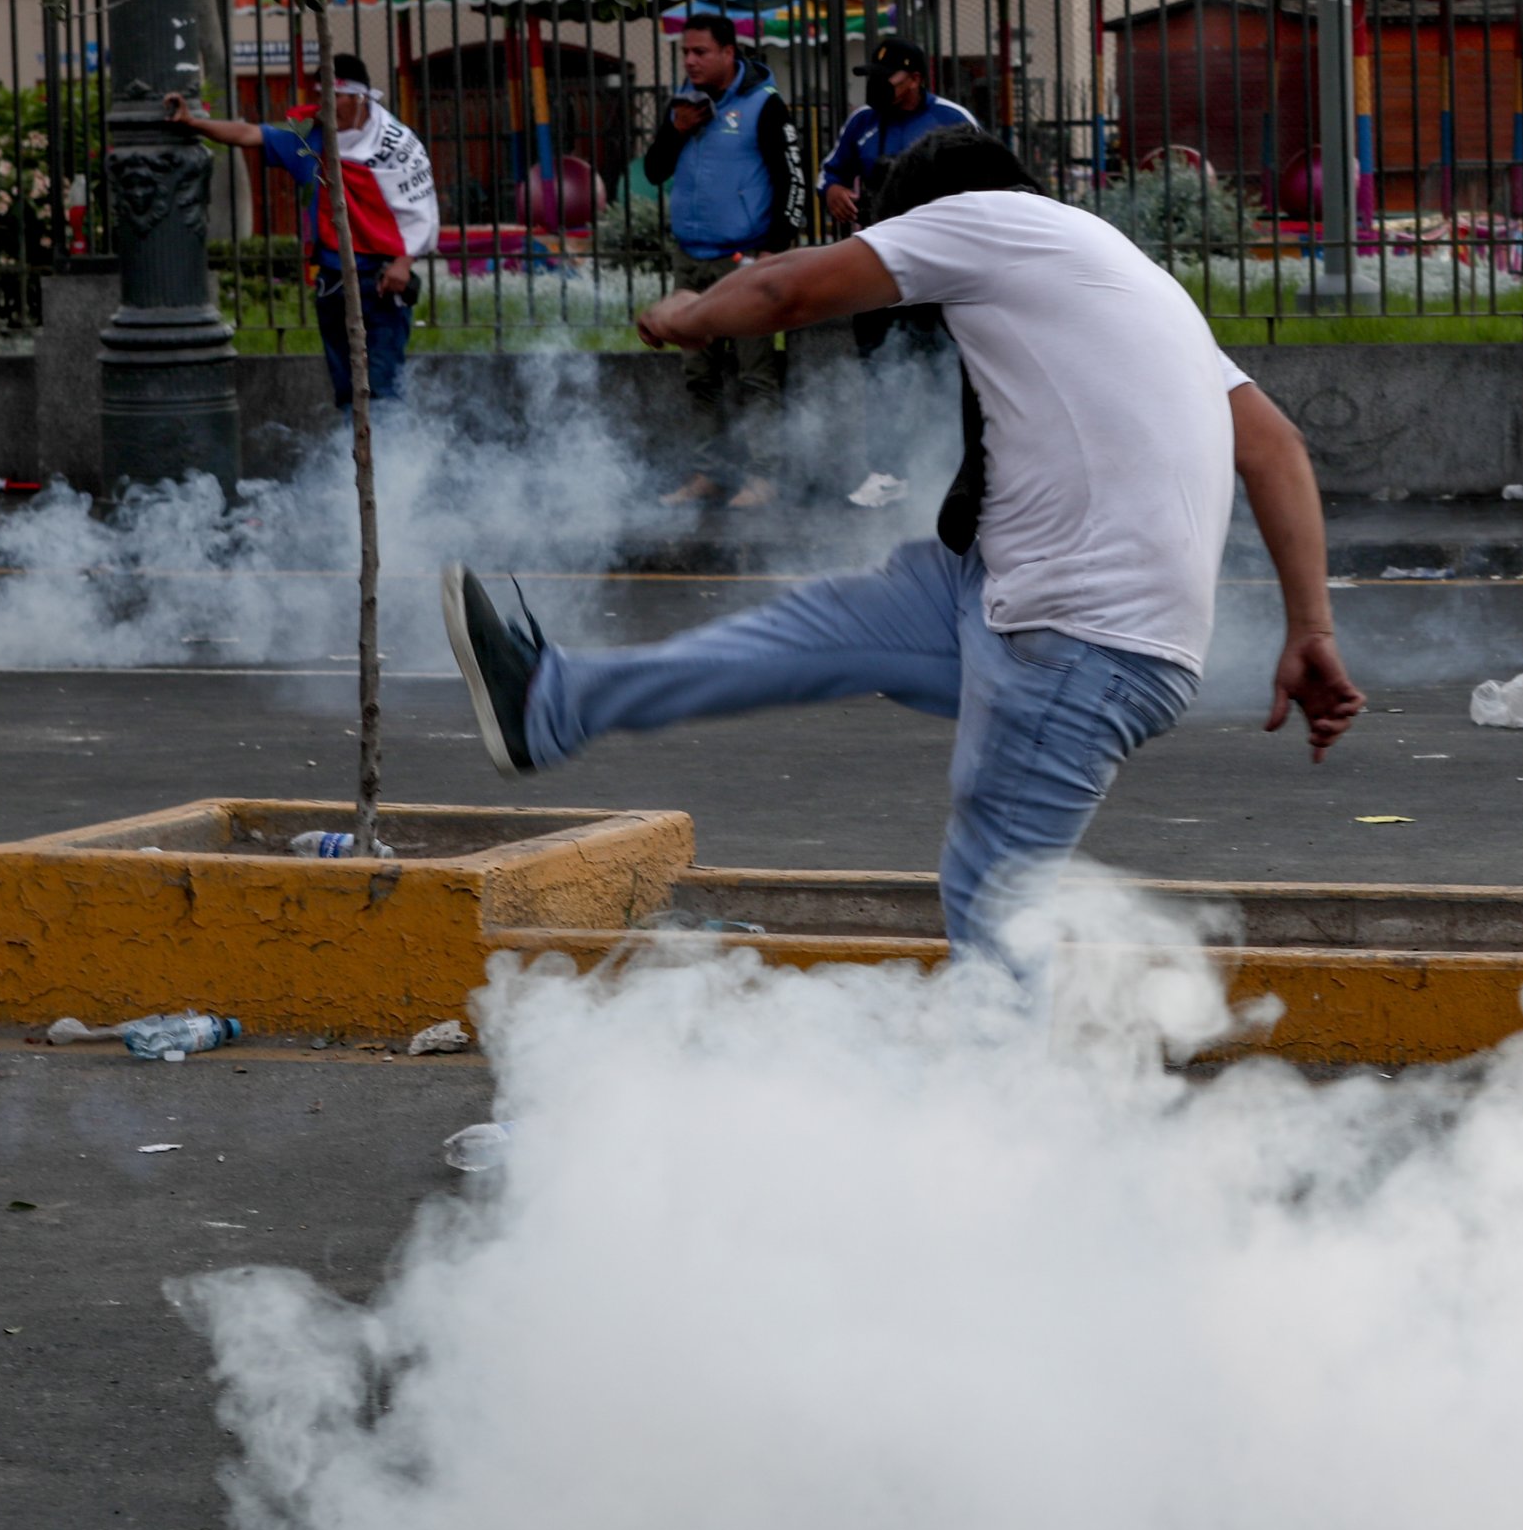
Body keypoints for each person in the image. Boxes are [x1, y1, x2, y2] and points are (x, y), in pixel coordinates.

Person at [438, 127, 1365, 959]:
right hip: (1004, 593)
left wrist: (692, 315)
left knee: (993, 901)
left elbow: (787, 288)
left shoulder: (981, 219)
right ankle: (553, 702)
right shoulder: (1106, 264)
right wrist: (1311, 628)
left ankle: (1014, 1138)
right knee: (820, 626)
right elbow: (1276, 446)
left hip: (1080, 639)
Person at [165, 55, 436, 417]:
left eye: (335, 96)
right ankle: (358, 465)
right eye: (322, 95)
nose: (326, 105)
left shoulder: (397, 144)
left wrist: (404, 264)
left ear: (360, 98)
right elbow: (251, 134)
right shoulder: (311, 141)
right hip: (333, 284)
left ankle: (393, 466)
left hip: (384, 285)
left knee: (382, 391)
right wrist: (193, 123)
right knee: (347, 393)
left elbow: (421, 209)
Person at [642, 13, 806, 510]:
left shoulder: (765, 105)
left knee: (755, 373)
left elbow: (793, 181)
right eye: (685, 52)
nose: (690, 61)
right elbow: (653, 170)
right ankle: (709, 474)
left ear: (728, 53)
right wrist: (675, 130)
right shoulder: (684, 105)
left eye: (700, 52)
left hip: (744, 262)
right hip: (690, 258)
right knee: (700, 374)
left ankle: (764, 477)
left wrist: (773, 252)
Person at [820, 34, 980, 510]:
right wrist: (830, 191)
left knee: (941, 369)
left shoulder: (953, 120)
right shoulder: (862, 123)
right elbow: (830, 172)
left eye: (885, 80)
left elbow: (990, 186)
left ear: (914, 78)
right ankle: (889, 471)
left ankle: (947, 469)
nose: (877, 89)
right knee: (880, 370)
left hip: (937, 268)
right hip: (876, 264)